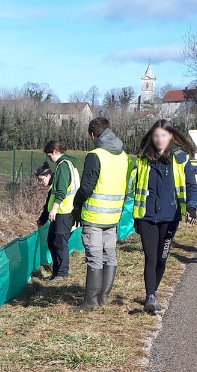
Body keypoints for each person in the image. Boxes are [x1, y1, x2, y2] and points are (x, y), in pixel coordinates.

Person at [129, 119, 197, 314]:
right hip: (146, 216)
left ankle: (154, 291)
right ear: (152, 138)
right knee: (150, 257)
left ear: (171, 136)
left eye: (163, 135)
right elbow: (133, 188)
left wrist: (191, 208)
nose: (159, 139)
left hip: (170, 217)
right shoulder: (143, 161)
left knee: (162, 258)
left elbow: (191, 186)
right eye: (156, 136)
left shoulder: (181, 159)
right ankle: (150, 296)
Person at [72, 117, 131, 310]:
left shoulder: (95, 155)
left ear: (92, 135)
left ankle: (90, 302)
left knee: (95, 257)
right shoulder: (123, 156)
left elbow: (86, 187)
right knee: (109, 255)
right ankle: (103, 298)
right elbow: (128, 185)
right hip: (113, 216)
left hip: (94, 216)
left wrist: (76, 205)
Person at [42, 141, 80, 280]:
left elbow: (62, 191)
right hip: (63, 211)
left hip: (64, 211)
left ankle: (62, 273)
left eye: (49, 155)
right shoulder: (66, 165)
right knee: (52, 240)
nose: (49, 159)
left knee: (59, 243)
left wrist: (54, 208)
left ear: (56, 151)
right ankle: (56, 272)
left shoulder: (64, 166)